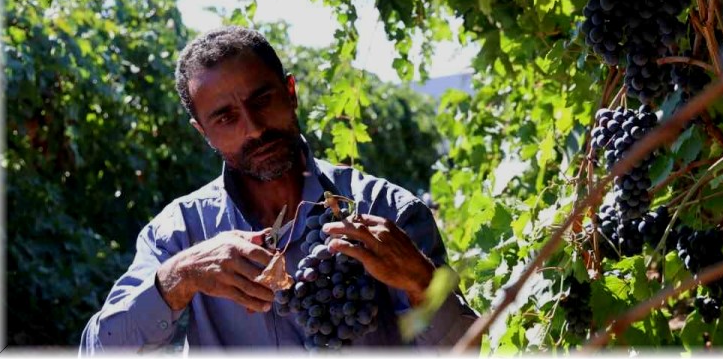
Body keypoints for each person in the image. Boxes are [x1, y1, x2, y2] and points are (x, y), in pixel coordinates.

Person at [79, 26, 478, 352]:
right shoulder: (180, 232)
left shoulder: (389, 211)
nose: (253, 128)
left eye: (262, 100)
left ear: (291, 93)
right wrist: (178, 278)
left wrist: (420, 280)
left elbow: (468, 351)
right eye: (225, 118)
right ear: (203, 133)